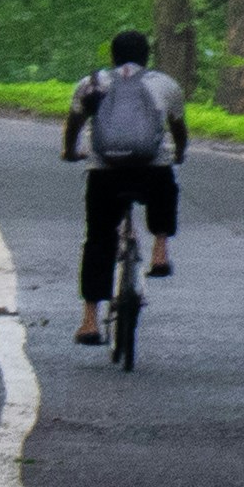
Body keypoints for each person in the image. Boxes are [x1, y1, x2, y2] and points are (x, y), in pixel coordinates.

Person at [56, 31, 189, 344]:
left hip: (106, 172)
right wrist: (179, 153)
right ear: (147, 57)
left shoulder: (91, 84)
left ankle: (89, 321)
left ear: (113, 56)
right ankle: (160, 250)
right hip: (150, 168)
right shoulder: (165, 84)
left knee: (99, 239)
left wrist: (71, 152)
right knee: (165, 188)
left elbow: (74, 124)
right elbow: (178, 128)